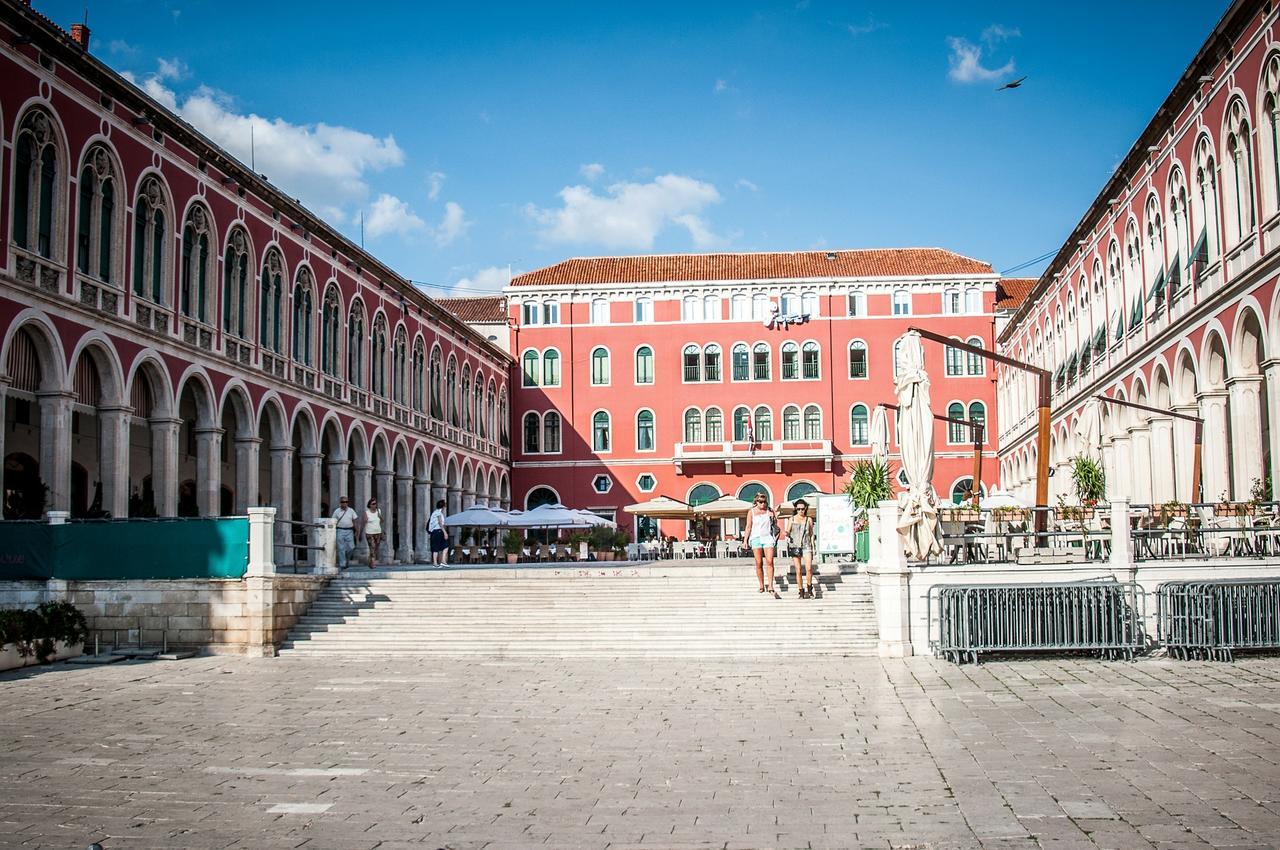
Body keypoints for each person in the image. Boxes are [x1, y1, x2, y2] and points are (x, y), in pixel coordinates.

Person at [743, 493, 780, 598]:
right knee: (758, 562)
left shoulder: (770, 510)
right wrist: (745, 540)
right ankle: (761, 585)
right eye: (760, 502)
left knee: (770, 561)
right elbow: (748, 527)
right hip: (755, 538)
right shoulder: (751, 512)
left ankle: (771, 586)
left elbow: (775, 525)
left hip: (767, 537)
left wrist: (773, 517)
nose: (763, 504)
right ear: (756, 502)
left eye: (764, 502)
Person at [785, 499, 816, 599]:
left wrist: (813, 546)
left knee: (809, 568)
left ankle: (809, 589)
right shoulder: (792, 519)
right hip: (795, 546)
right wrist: (786, 534)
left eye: (802, 509)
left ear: (805, 508)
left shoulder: (809, 519)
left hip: (807, 545)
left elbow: (811, 534)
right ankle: (801, 591)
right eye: (798, 509)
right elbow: (787, 531)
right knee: (798, 570)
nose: (800, 511)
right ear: (795, 509)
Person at [332, 496, 358, 569]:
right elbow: (333, 521)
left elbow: (355, 521)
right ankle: (343, 564)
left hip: (350, 530)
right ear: (340, 503)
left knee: (352, 547)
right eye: (343, 502)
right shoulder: (337, 511)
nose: (345, 503)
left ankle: (347, 558)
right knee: (341, 548)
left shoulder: (351, 510)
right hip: (340, 530)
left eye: (346, 502)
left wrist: (357, 531)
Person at [362, 497, 384, 569]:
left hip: (378, 532)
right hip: (369, 533)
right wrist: (365, 520)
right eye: (373, 504)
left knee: (375, 549)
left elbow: (382, 521)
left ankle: (370, 560)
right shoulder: (366, 512)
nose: (375, 505)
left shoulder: (379, 511)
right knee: (372, 547)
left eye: (375, 504)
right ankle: (373, 563)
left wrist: (380, 516)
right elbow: (363, 522)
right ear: (370, 505)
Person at [428, 499, 449, 566]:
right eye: (445, 506)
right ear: (443, 506)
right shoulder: (438, 513)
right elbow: (440, 523)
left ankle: (436, 562)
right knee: (445, 546)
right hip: (438, 531)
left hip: (435, 532)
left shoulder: (435, 512)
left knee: (437, 547)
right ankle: (441, 561)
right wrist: (445, 532)